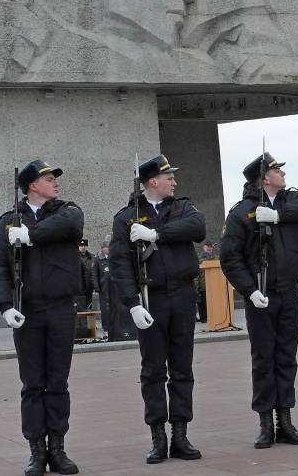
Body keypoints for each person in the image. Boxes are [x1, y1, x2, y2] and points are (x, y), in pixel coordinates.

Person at [220, 152, 298, 449]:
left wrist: (279, 216)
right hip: (261, 295)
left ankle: (285, 420)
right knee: (264, 359)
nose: (283, 174)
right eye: (278, 170)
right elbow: (230, 257)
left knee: (286, 357)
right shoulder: (242, 212)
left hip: (289, 292)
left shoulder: (291, 202)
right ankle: (266, 423)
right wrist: (249, 290)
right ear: (264, 178)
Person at [110, 154, 206, 464]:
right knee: (152, 371)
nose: (174, 181)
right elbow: (120, 265)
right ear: (153, 181)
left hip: (181, 296)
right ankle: (158, 436)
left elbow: (197, 227)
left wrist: (157, 235)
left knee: (182, 368)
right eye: (169, 177)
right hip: (150, 300)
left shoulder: (182, 208)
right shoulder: (126, 218)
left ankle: (180, 434)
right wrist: (132, 304)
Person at [0, 160, 83, 475]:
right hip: (28, 310)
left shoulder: (66, 212)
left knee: (57, 382)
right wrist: (5, 305)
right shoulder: (7, 222)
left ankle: (58, 449)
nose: (55, 182)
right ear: (32, 185)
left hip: (61, 307)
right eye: (49, 178)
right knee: (33, 384)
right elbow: (0, 269)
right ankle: (37, 451)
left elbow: (72, 225)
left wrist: (30, 235)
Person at [92, 241, 112, 339]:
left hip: (113, 289)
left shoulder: (112, 259)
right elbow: (94, 275)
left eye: (108, 247)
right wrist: (96, 287)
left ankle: (113, 328)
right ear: (102, 249)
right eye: (105, 247)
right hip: (103, 289)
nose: (106, 249)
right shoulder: (97, 260)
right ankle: (105, 329)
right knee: (104, 310)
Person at [196, 241, 215, 323]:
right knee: (202, 303)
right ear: (204, 247)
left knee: (212, 303)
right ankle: (203, 318)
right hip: (202, 284)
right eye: (207, 246)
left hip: (214, 284)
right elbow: (196, 273)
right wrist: (196, 286)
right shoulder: (199, 258)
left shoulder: (215, 257)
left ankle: (213, 316)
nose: (209, 247)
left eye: (210, 246)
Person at [78, 239, 94, 308]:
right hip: (79, 287)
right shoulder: (75, 257)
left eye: (84, 245)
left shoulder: (91, 257)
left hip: (89, 287)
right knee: (80, 308)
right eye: (81, 245)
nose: (83, 247)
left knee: (89, 308)